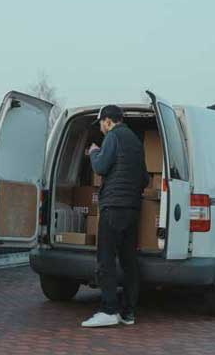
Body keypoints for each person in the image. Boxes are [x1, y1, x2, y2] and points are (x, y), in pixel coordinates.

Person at [81, 105, 149, 328]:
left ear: (108, 121)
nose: (101, 128)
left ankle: (109, 310)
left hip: (113, 206)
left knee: (106, 259)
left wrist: (93, 152)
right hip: (132, 208)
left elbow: (100, 167)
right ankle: (128, 313)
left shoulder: (113, 136)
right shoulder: (136, 142)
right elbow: (145, 179)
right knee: (129, 261)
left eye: (101, 123)